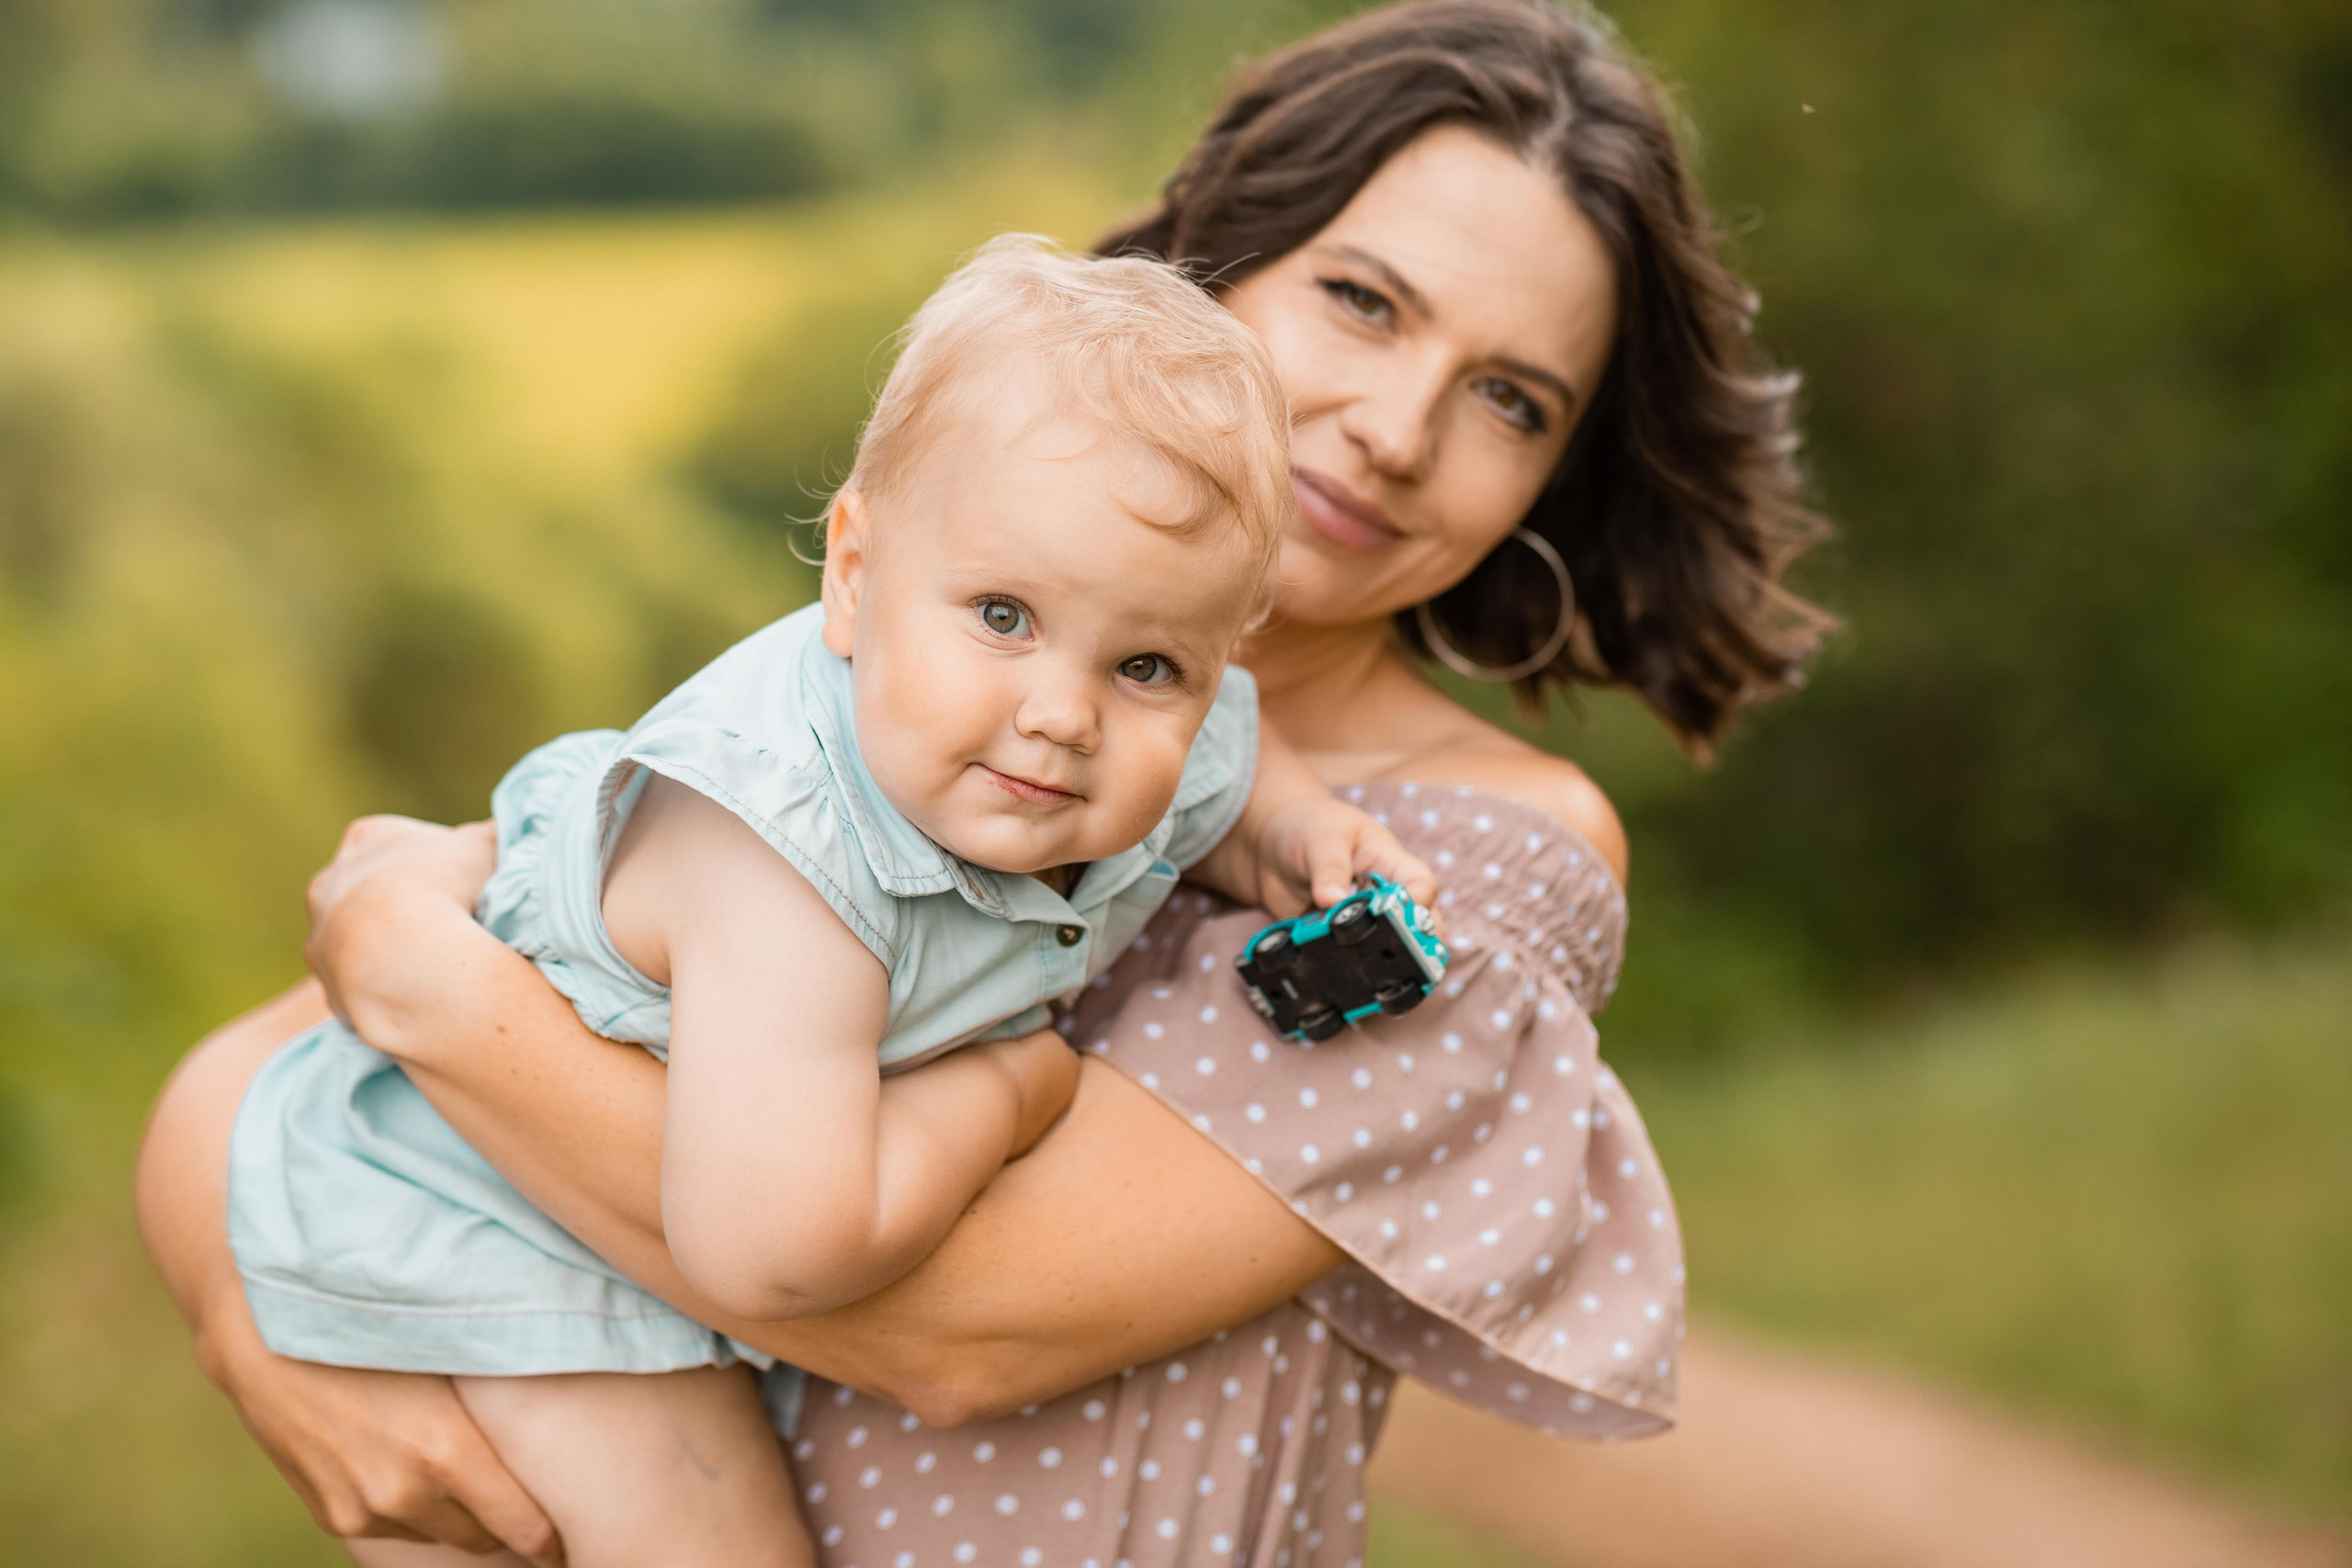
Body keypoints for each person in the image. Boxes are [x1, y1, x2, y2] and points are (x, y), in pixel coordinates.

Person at [137, 2, 1832, 1563]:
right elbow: (253, 1069)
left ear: (1554, 473)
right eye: (1362, 300)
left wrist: (436, 994)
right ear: (1213, 271)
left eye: (1509, 400)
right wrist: (250, 1325)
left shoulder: (1457, 861)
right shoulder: (913, 692)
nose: (1397, 424)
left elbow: (957, 1331)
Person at [220, 237, 1435, 1567]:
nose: (1062, 714)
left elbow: (1231, 756)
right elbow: (781, 1257)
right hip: (482, 1214)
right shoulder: (784, 872)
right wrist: (1004, 1092)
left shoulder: (1150, 732)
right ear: (853, 574)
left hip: (655, 1182)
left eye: (1147, 663)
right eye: (1003, 616)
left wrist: (1294, 831)